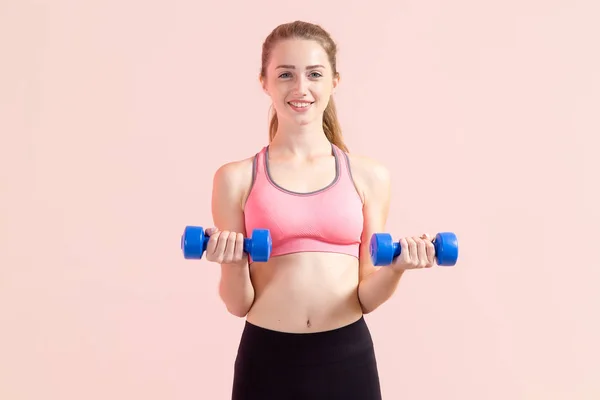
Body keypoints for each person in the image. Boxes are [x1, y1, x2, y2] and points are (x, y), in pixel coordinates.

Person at [205, 20, 437, 400]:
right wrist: (230, 260)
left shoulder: (369, 176)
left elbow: (366, 297)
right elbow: (237, 304)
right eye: (285, 74)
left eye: (314, 74)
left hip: (346, 357)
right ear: (264, 82)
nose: (301, 88)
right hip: (267, 358)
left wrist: (397, 267)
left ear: (334, 81)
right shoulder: (236, 178)